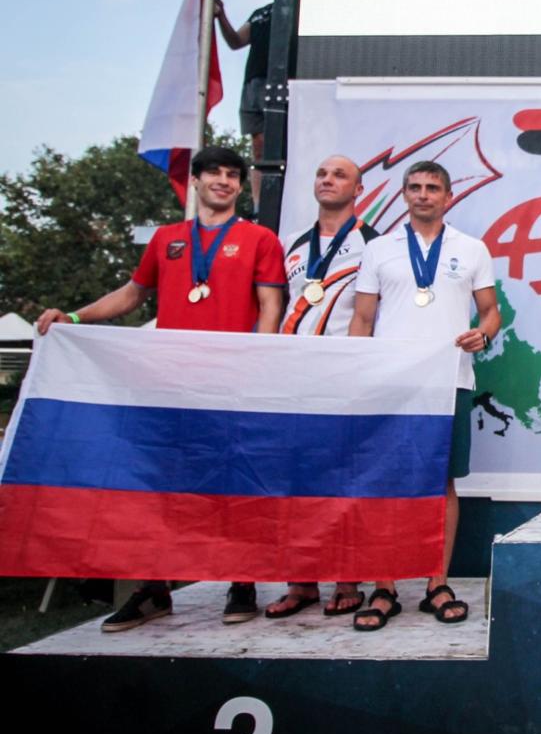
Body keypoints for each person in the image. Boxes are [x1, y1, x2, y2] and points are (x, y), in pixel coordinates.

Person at [35, 146, 287, 631]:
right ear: (195, 181)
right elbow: (132, 295)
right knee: (158, 489)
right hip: (167, 385)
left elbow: (269, 305)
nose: (224, 181)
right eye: (214, 172)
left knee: (232, 481)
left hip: (231, 382)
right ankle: (152, 589)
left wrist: (262, 364)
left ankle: (242, 581)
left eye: (233, 175)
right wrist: (72, 317)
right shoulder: (167, 240)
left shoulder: (259, 239)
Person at [348, 161, 501, 630]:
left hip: (449, 379)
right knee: (385, 483)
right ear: (403, 195)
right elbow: (362, 320)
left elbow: (490, 313)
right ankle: (384, 586)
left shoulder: (472, 249)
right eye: (414, 187)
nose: (423, 194)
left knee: (442, 483)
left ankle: (438, 582)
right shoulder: (378, 250)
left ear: (449, 196)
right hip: (390, 383)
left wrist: (483, 335)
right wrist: (356, 377)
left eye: (433, 187)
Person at [264, 155, 380, 619]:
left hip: (345, 375)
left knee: (343, 479)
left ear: (359, 188)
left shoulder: (374, 243)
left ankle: (347, 576)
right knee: (297, 480)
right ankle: (301, 581)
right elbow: (276, 307)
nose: (328, 181)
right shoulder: (292, 243)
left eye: (340, 175)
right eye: (322, 174)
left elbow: (374, 314)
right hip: (295, 374)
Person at [213, 0, 275, 212]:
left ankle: (277, 198)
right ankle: (260, 204)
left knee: (279, 142)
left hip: (279, 81)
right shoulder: (260, 12)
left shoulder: (295, 5)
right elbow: (236, 42)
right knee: (258, 144)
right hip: (253, 82)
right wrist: (221, 16)